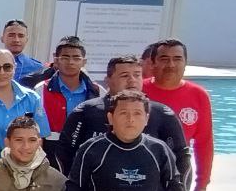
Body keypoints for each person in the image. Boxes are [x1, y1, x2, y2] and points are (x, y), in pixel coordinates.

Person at [64, 90, 190, 191]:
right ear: (110, 118)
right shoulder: (92, 149)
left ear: (146, 119)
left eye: (137, 113)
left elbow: (175, 190)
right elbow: (74, 188)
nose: (131, 120)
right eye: (123, 113)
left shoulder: (159, 150)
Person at [57, 55, 190, 178]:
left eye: (137, 75)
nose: (132, 80)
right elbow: (64, 155)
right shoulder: (85, 112)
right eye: (125, 75)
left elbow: (181, 157)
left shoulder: (163, 114)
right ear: (108, 81)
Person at [144, 39, 213, 191]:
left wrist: (202, 182)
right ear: (153, 63)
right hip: (140, 167)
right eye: (164, 58)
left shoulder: (199, 95)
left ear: (185, 63)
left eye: (177, 58)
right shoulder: (138, 91)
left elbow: (204, 142)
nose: (171, 64)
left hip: (178, 169)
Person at [30, 37, 103, 164]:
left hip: (88, 150)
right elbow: (34, 128)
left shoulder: (98, 91)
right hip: (50, 150)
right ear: (56, 60)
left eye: (76, 58)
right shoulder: (41, 89)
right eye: (65, 57)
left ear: (84, 61)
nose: (71, 62)